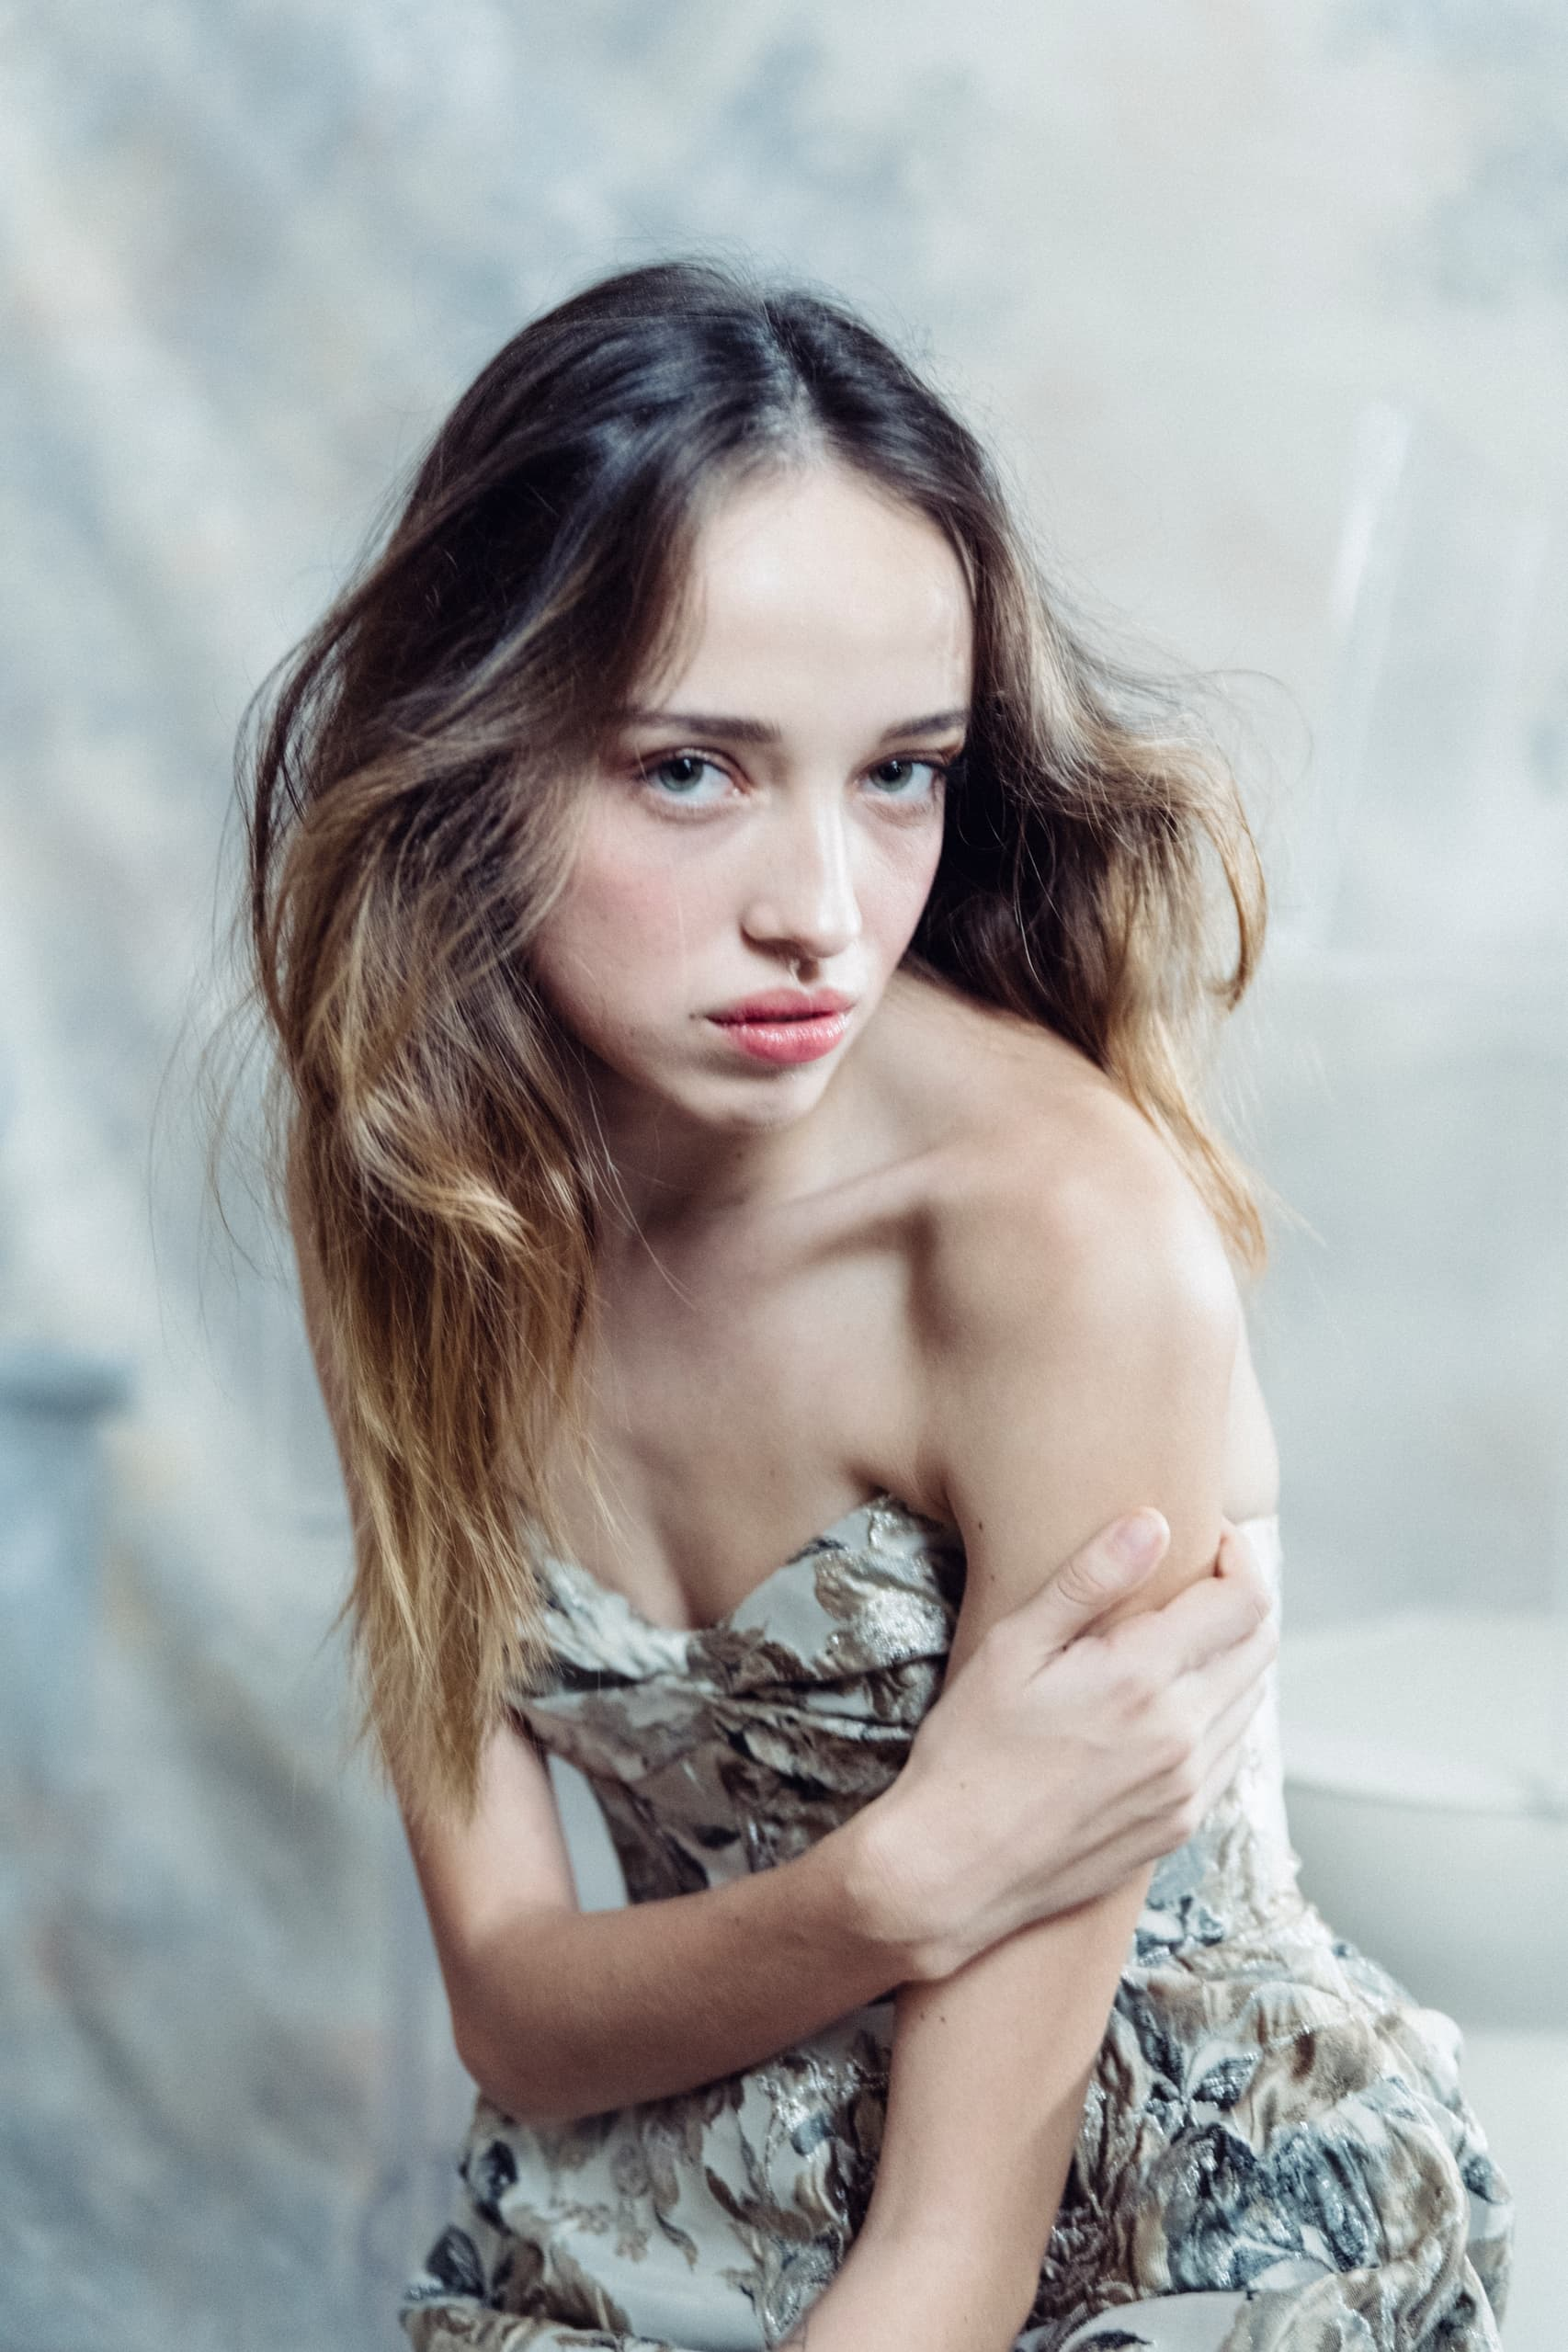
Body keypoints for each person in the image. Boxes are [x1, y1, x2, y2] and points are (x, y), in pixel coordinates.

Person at [246, 260, 1511, 2350]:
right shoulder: (416, 1177)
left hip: (1160, 2232)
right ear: (474, 751)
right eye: (690, 770)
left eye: (901, 770)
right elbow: (519, 2017)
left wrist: (892, 1923)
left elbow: (958, 2248)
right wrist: (893, 1885)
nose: (820, 910)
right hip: (646, 2188)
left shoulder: (1053, 1241)